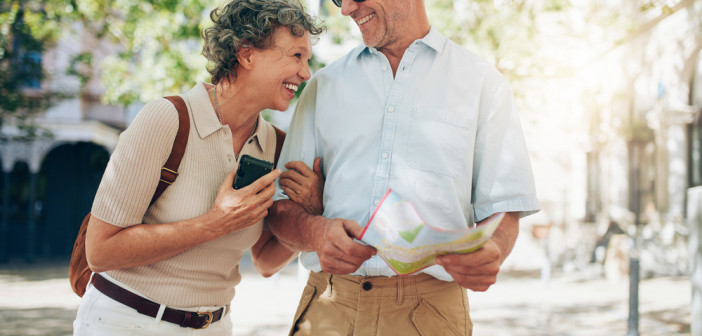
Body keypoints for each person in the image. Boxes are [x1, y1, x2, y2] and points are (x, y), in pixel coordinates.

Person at [267, 0, 541, 335]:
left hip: (430, 313)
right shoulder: (324, 85)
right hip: (328, 306)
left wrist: (493, 249)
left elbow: (504, 208)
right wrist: (316, 233)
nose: (346, 8)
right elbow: (279, 208)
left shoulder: (483, 83)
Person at [72, 0, 323, 334]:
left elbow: (264, 260)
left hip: (214, 325)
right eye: (296, 56)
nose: (306, 73)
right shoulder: (167, 119)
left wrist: (312, 213)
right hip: (126, 322)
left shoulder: (275, 145)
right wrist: (213, 224)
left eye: (307, 60)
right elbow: (100, 252)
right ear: (246, 54)